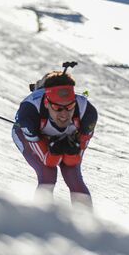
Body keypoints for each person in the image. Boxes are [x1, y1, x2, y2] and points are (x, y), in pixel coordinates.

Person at [12, 69, 97, 208]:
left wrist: (71, 151)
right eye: (58, 108)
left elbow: (76, 158)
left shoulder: (87, 112)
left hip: (66, 135)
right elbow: (48, 160)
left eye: (70, 107)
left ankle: (87, 224)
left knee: (73, 175)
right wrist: (54, 152)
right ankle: (41, 219)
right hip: (31, 135)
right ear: (47, 103)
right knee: (48, 174)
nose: (64, 114)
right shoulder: (29, 112)